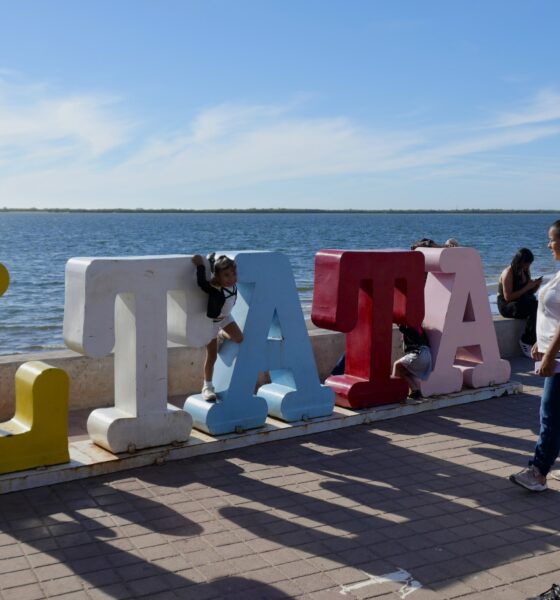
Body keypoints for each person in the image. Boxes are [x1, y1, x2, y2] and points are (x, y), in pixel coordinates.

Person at [510, 221, 560, 491]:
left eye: (552, 239)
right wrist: (541, 343)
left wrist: (550, 355)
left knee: (550, 414)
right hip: (553, 351)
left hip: (559, 357)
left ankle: (538, 473)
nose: (549, 245)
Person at [192, 253, 244, 401]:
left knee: (239, 338)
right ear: (218, 277)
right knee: (212, 356)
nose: (231, 278)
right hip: (212, 323)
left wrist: (211, 261)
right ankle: (207, 387)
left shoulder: (234, 286)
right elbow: (202, 283)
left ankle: (222, 334)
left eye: (233, 274)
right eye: (226, 275)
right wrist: (200, 265)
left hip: (226, 318)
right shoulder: (215, 288)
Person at [497, 247, 542, 358]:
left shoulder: (525, 271)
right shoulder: (508, 272)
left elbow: (529, 292)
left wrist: (536, 285)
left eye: (529, 264)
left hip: (520, 301)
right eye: (527, 264)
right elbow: (508, 297)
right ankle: (526, 340)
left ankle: (539, 340)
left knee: (540, 305)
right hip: (507, 305)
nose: (528, 267)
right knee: (534, 307)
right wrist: (527, 287)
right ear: (520, 261)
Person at [392, 324, 432, 399]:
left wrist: (402, 326)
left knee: (396, 365)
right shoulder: (419, 328)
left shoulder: (409, 328)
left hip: (419, 354)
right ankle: (415, 391)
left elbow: (403, 328)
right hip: (427, 356)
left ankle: (394, 392)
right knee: (403, 372)